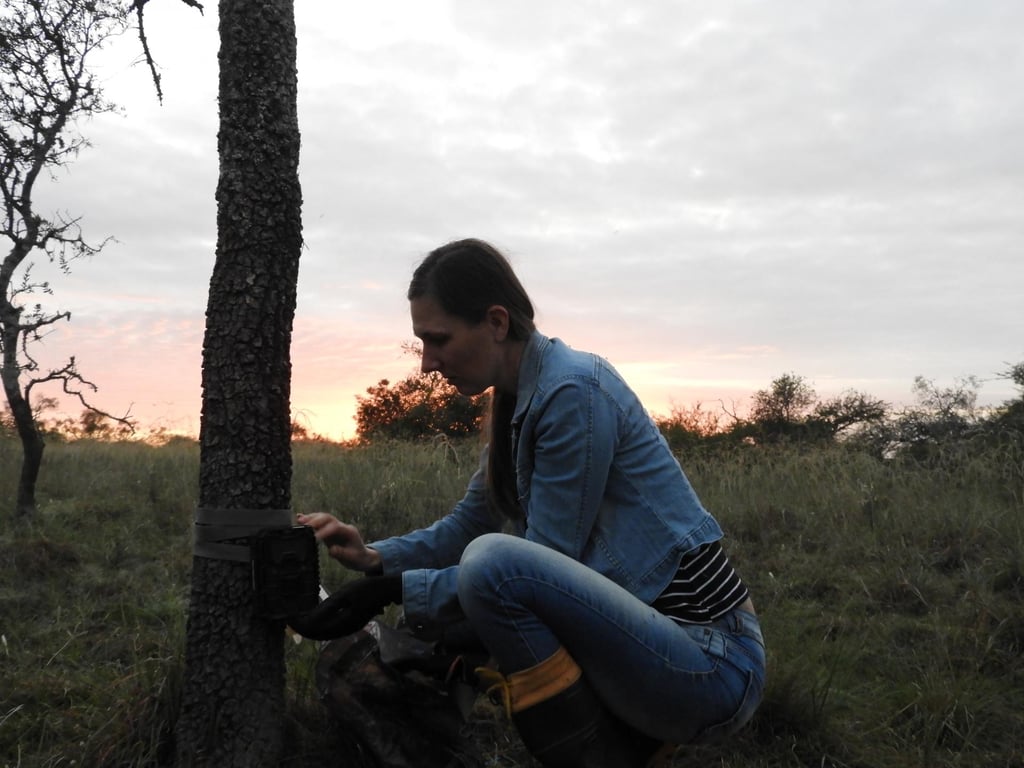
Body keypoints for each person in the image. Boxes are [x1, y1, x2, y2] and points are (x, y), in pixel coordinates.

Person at [296, 238, 766, 768]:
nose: (427, 364)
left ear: (496, 322)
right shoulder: (517, 400)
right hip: (657, 653)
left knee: (491, 568)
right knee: (460, 592)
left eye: (438, 339)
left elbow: (538, 562)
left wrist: (392, 591)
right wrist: (375, 559)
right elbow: (468, 524)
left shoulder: (573, 391)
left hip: (711, 663)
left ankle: (606, 752)